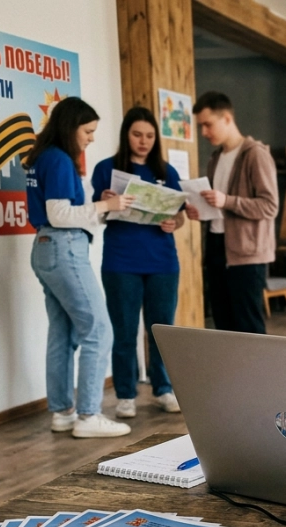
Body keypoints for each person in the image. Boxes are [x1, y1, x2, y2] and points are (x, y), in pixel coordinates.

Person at [23, 97, 132, 438]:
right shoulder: (58, 160)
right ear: (70, 127)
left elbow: (58, 213)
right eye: (88, 131)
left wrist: (102, 206)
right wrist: (105, 204)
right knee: (99, 330)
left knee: (63, 333)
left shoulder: (42, 158)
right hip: (63, 247)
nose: (91, 138)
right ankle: (89, 415)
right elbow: (60, 214)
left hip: (44, 247)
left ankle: (63, 413)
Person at [91, 107, 186, 419]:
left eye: (149, 136)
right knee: (125, 330)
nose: (143, 141)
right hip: (121, 261)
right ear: (125, 135)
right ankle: (126, 394)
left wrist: (176, 222)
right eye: (136, 135)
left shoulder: (167, 171)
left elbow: (180, 214)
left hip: (162, 262)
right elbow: (98, 214)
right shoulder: (106, 169)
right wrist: (104, 202)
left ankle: (163, 388)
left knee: (161, 329)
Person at [185, 91, 279, 334]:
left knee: (249, 329)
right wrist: (203, 212)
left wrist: (227, 201)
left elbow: (269, 206)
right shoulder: (215, 158)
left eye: (207, 124)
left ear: (226, 118)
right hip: (217, 249)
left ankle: (258, 374)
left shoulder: (256, 154)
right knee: (223, 327)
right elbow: (221, 209)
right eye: (201, 126)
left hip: (247, 256)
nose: (204, 132)